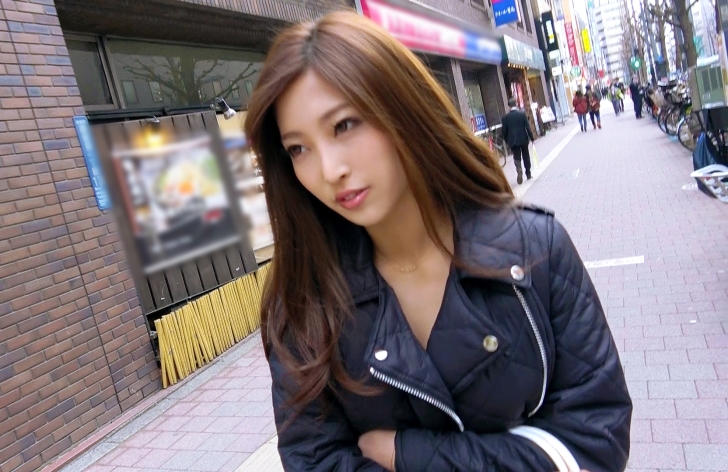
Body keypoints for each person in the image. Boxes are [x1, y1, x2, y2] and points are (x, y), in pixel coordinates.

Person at [245, 11, 631, 472]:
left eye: (344, 125)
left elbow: (596, 442)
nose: (329, 170)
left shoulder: (535, 249)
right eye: (298, 148)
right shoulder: (302, 304)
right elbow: (315, 461)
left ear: (402, 108)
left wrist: (406, 453)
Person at [501, 98, 535, 184]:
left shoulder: (505, 118)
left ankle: (519, 170)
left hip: (513, 140)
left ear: (509, 106)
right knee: (526, 156)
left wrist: (507, 140)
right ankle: (528, 173)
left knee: (516, 157)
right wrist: (532, 138)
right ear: (516, 104)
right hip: (523, 139)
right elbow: (527, 127)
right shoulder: (522, 114)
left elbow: (504, 131)